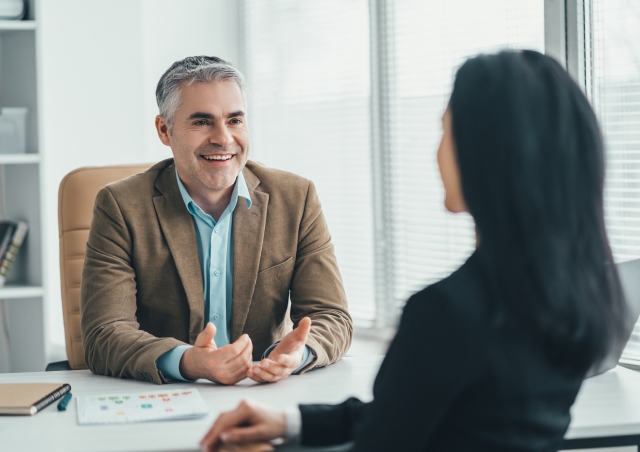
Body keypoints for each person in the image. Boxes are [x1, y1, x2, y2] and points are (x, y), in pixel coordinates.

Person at [200, 50, 628, 451]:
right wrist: (290, 423)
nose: (435, 151)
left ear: (487, 157)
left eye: (446, 130)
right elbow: (422, 415)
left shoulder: (446, 313)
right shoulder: (572, 299)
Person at [80, 56, 352, 385]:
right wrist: (191, 362)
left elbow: (332, 317)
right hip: (166, 395)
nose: (223, 138)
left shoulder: (296, 198)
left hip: (261, 393)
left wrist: (297, 354)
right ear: (164, 130)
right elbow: (104, 335)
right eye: (202, 122)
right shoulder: (121, 206)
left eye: (235, 120)